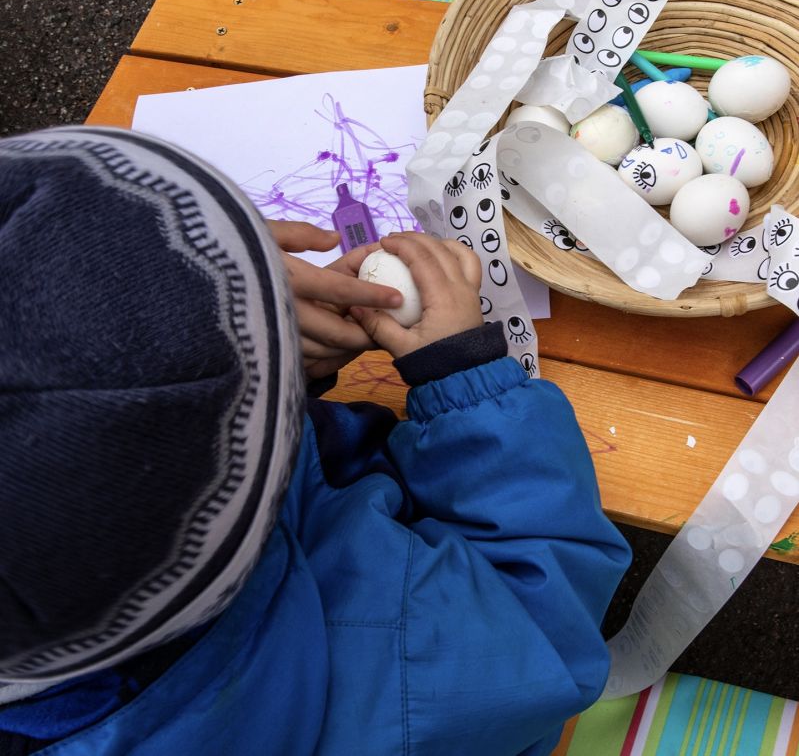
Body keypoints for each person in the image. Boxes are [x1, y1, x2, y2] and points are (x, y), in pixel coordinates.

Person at [0, 126, 631, 756]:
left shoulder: (87, 558)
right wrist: (464, 377)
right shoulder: (411, 673)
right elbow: (546, 610)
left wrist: (242, 348)